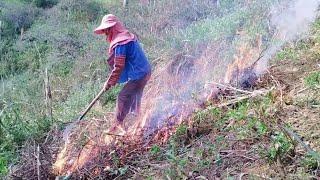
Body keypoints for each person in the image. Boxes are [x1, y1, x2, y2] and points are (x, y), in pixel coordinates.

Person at [94, 14, 151, 132]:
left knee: (123, 96)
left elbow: (119, 66)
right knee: (135, 95)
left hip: (139, 74)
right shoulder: (127, 36)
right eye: (104, 30)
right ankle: (136, 122)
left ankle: (117, 125)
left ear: (113, 28)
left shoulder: (121, 42)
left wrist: (109, 83)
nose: (105, 33)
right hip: (145, 71)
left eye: (107, 29)